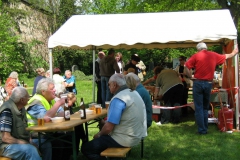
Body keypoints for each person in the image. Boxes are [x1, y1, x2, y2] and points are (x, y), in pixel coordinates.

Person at [81, 74, 147, 160]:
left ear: (114, 84)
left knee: (87, 148)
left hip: (124, 139)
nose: (108, 87)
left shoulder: (119, 98)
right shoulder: (134, 93)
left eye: (109, 84)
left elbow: (108, 128)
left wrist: (99, 134)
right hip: (137, 135)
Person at [185, 42, 238, 135]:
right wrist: (233, 53)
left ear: (198, 49)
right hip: (208, 83)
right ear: (206, 48)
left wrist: (190, 77)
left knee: (198, 107)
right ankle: (205, 128)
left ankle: (202, 130)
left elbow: (186, 67)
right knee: (205, 107)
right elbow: (226, 56)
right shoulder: (213, 55)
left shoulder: (196, 56)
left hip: (198, 83)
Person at [25, 78, 68, 160]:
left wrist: (56, 111)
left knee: (66, 137)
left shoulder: (50, 100)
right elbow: (45, 119)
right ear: (43, 91)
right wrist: (58, 103)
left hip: (48, 131)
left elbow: (62, 113)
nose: (55, 90)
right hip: (36, 134)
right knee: (55, 143)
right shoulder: (36, 102)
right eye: (52, 89)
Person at [0, 87, 41, 160]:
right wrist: (25, 143)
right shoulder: (7, 110)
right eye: (27, 96)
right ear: (22, 100)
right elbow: (5, 138)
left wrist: (30, 141)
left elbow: (25, 131)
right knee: (30, 150)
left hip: (17, 142)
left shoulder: (21, 108)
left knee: (44, 144)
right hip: (4, 146)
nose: (29, 98)